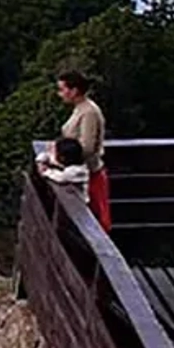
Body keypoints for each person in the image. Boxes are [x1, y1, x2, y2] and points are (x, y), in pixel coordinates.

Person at [57, 69, 112, 231]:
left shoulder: (89, 112)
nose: (60, 94)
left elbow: (87, 147)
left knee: (94, 223)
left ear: (74, 91)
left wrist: (61, 157)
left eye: (62, 89)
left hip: (89, 175)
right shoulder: (80, 108)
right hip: (79, 173)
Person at [36, 136, 90, 205]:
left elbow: (61, 178)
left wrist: (46, 171)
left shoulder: (77, 171)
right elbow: (47, 156)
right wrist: (40, 161)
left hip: (78, 204)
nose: (52, 154)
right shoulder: (67, 163)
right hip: (68, 199)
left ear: (62, 157)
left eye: (54, 152)